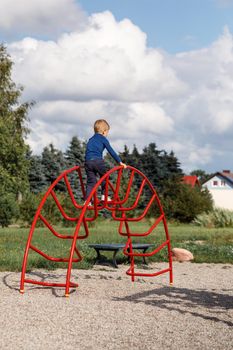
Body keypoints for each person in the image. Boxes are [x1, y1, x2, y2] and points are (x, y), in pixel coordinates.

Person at [84, 119, 127, 203]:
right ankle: (104, 196)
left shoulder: (90, 139)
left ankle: (87, 201)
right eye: (107, 132)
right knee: (105, 177)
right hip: (98, 161)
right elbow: (111, 151)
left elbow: (88, 151)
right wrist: (120, 162)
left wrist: (87, 162)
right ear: (104, 132)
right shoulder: (103, 139)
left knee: (91, 182)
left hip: (88, 162)